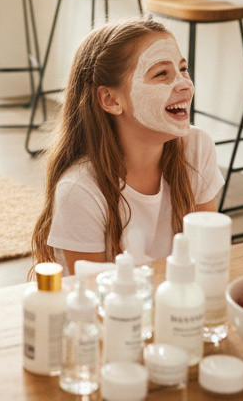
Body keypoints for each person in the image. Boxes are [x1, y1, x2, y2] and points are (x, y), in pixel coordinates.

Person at [31, 18, 223, 274]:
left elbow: (209, 258)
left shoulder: (197, 147)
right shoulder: (79, 189)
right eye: (161, 74)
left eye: (183, 69)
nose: (185, 84)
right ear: (111, 100)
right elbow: (93, 291)